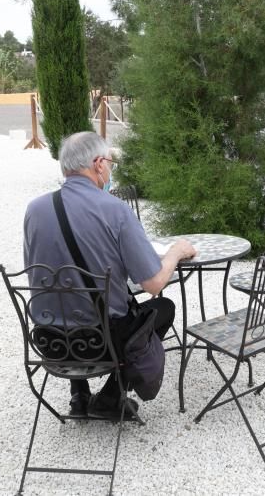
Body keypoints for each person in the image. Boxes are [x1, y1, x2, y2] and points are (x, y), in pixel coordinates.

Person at [23, 131, 196, 419]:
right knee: (163, 307)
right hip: (100, 344)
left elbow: (37, 271)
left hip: (49, 340)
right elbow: (152, 284)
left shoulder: (34, 209)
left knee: (72, 297)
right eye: (110, 163)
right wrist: (176, 253)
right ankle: (110, 397)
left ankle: (79, 395)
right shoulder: (115, 210)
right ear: (99, 164)